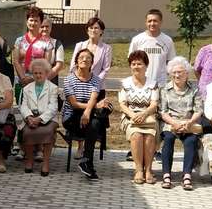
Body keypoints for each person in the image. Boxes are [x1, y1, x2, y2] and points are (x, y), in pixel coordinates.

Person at [62, 47, 111, 181]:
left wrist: (87, 112)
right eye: (82, 57)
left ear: (92, 63)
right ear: (76, 61)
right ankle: (87, 163)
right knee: (95, 124)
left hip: (88, 117)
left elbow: (93, 98)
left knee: (94, 123)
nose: (85, 59)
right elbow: (74, 104)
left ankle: (86, 162)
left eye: (88, 58)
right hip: (71, 117)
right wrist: (94, 108)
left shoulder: (96, 80)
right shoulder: (68, 80)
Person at [158, 57, 203, 191]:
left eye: (180, 72)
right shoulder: (165, 89)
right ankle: (166, 175)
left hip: (188, 124)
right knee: (168, 139)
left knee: (191, 141)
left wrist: (190, 122)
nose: (177, 75)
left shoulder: (194, 89)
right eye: (174, 72)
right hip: (170, 123)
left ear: (186, 74)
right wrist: (174, 123)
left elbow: (198, 110)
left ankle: (187, 175)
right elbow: (163, 112)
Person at [116, 50, 158, 185]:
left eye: (139, 64)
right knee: (136, 135)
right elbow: (122, 105)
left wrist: (144, 114)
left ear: (146, 65)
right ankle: (139, 170)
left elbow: (154, 104)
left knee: (149, 136)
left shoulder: (153, 83)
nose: (136, 66)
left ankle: (148, 170)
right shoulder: (125, 83)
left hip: (148, 117)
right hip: (130, 117)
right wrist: (133, 115)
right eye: (133, 64)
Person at [19, 58, 59, 176]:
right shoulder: (27, 88)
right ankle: (30, 160)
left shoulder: (53, 88)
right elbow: (23, 106)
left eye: (40, 73)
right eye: (35, 73)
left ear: (46, 73)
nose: (38, 75)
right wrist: (29, 117)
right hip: (31, 118)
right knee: (27, 132)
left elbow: (53, 107)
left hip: (48, 118)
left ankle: (45, 163)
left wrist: (40, 119)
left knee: (47, 132)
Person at [127, 8, 175, 88]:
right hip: (141, 84)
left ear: (161, 22)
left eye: (155, 21)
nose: (152, 23)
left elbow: (171, 62)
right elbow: (131, 61)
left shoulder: (168, 40)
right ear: (146, 22)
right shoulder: (137, 40)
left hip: (160, 84)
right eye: (149, 21)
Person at [12, 6, 53, 88]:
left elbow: (46, 64)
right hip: (21, 81)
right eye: (31, 20)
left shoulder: (47, 43)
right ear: (27, 22)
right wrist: (23, 78)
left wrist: (32, 79)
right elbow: (16, 61)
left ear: (41, 23)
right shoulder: (19, 41)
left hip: (39, 81)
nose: (33, 23)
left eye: (36, 21)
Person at [70, 17, 112, 81]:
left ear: (101, 31)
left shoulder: (106, 48)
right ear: (87, 30)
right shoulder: (80, 45)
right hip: (78, 82)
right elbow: (73, 65)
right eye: (91, 28)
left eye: (96, 28)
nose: (93, 30)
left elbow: (105, 69)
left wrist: (94, 82)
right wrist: (79, 79)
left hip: (97, 84)